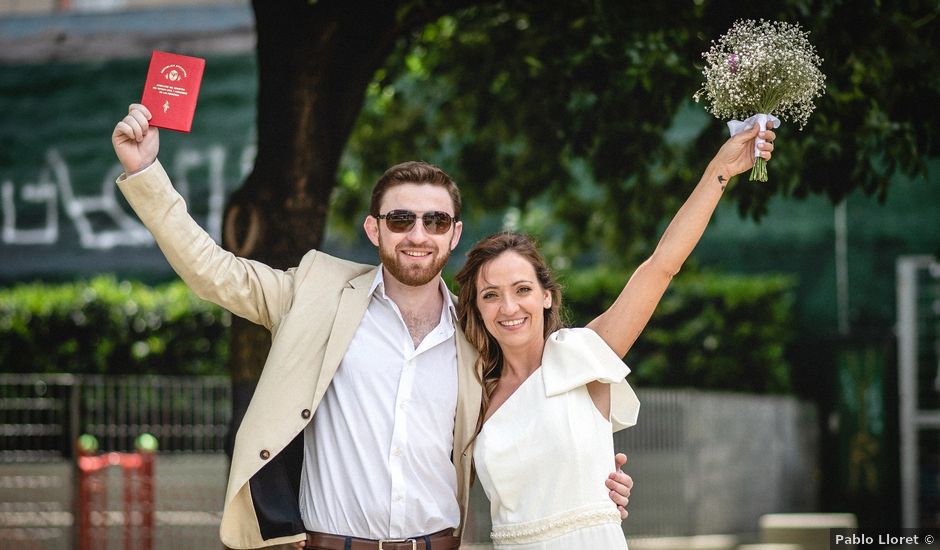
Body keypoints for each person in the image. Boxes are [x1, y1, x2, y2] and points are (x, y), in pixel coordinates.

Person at [110, 103, 634, 550]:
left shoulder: (481, 340)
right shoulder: (315, 293)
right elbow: (214, 273)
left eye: (434, 222)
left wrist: (593, 482)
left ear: (454, 235)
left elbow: (537, 421)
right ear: (374, 229)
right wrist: (147, 173)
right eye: (401, 219)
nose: (417, 234)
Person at [454, 122, 776, 549]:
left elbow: (662, 265)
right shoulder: (470, 392)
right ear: (476, 307)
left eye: (523, 290)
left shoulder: (582, 355)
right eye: (491, 295)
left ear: (548, 297)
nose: (509, 308)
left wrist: (719, 170)